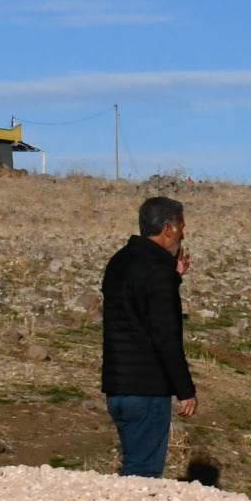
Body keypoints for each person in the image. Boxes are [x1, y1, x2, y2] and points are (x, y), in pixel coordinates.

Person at [101, 195, 197, 478]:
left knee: (132, 463)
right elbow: (165, 336)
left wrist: (174, 276)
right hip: (147, 389)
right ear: (168, 229)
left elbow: (137, 308)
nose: (183, 233)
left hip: (117, 386)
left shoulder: (118, 261)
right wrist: (185, 390)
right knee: (141, 475)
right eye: (181, 227)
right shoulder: (158, 271)